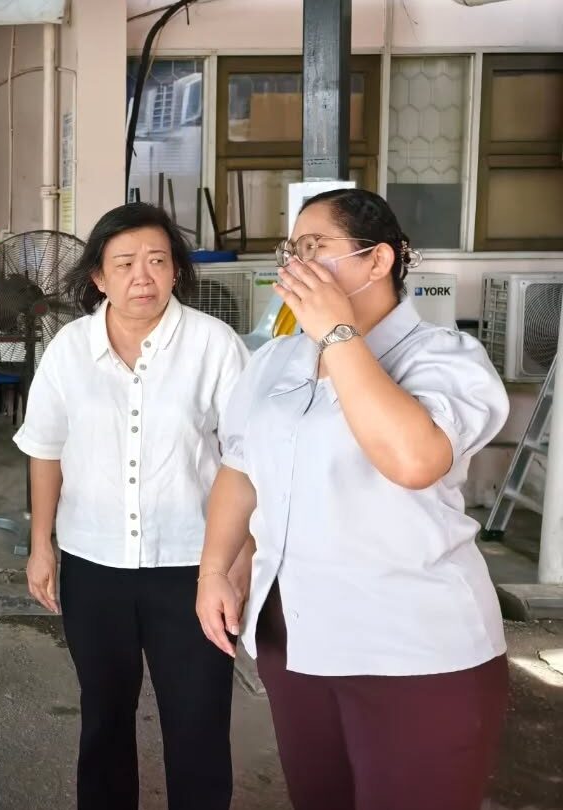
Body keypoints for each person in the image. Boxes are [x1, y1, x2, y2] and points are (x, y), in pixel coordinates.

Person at [197, 188, 510, 810]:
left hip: (415, 650)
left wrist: (339, 334)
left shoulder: (445, 359)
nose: (296, 264)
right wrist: (216, 567)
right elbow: (240, 465)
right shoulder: (276, 362)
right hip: (297, 640)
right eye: (292, 249)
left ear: (378, 261)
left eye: (315, 248)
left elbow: (413, 460)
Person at [17, 203, 249, 810]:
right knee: (104, 716)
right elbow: (46, 449)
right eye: (124, 263)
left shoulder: (213, 345)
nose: (141, 276)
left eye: (156, 261)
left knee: (197, 721)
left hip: (192, 566)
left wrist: (237, 560)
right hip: (94, 564)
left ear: (176, 272)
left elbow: (247, 459)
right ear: (98, 276)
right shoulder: (70, 347)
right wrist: (42, 546)